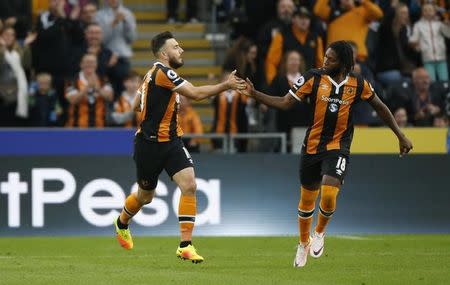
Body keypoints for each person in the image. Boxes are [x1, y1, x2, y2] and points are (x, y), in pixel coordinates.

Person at [239, 41, 413, 268]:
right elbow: (284, 102)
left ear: (342, 62)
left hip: (338, 146)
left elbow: (380, 107)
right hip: (312, 147)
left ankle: (320, 232)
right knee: (307, 200)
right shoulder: (313, 77)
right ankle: (303, 243)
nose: (325, 61)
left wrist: (400, 135)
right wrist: (254, 94)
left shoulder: (358, 83)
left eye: (330, 58)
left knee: (329, 194)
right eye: (325, 57)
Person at [113, 31, 246, 263]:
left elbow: (136, 104)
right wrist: (226, 85)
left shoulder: (151, 74)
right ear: (164, 54)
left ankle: (185, 245)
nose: (181, 50)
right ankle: (122, 221)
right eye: (176, 47)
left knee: (190, 185)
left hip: (172, 142)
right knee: (145, 197)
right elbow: (194, 94)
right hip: (148, 145)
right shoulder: (163, 72)